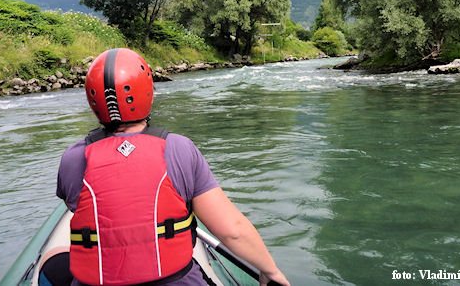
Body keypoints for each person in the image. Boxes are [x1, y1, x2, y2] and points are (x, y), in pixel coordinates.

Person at [57, 48, 289, 286]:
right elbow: (233, 230)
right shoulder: (179, 149)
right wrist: (270, 271)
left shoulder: (72, 159)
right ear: (147, 92)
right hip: (178, 280)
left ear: (92, 100)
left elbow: (81, 209)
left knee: (55, 263)